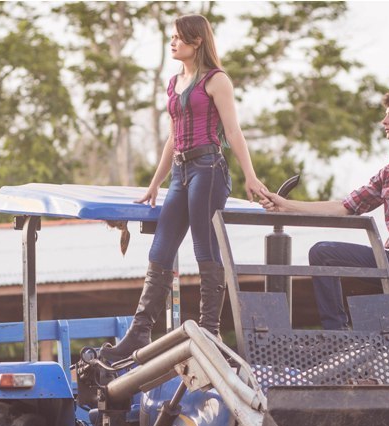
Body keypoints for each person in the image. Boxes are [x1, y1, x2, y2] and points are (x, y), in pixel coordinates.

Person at [258, 90, 389, 381]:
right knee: (324, 252)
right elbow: (345, 207)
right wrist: (285, 206)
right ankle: (339, 338)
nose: (384, 121)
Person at [101, 14, 269, 363]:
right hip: (180, 170)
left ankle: (210, 328)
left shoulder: (216, 80)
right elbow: (173, 137)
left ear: (197, 42)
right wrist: (155, 183)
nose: (173, 42)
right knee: (160, 251)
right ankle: (140, 331)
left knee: (204, 248)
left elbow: (233, 131)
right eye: (172, 37)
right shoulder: (174, 82)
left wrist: (250, 176)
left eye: (179, 38)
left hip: (208, 168)